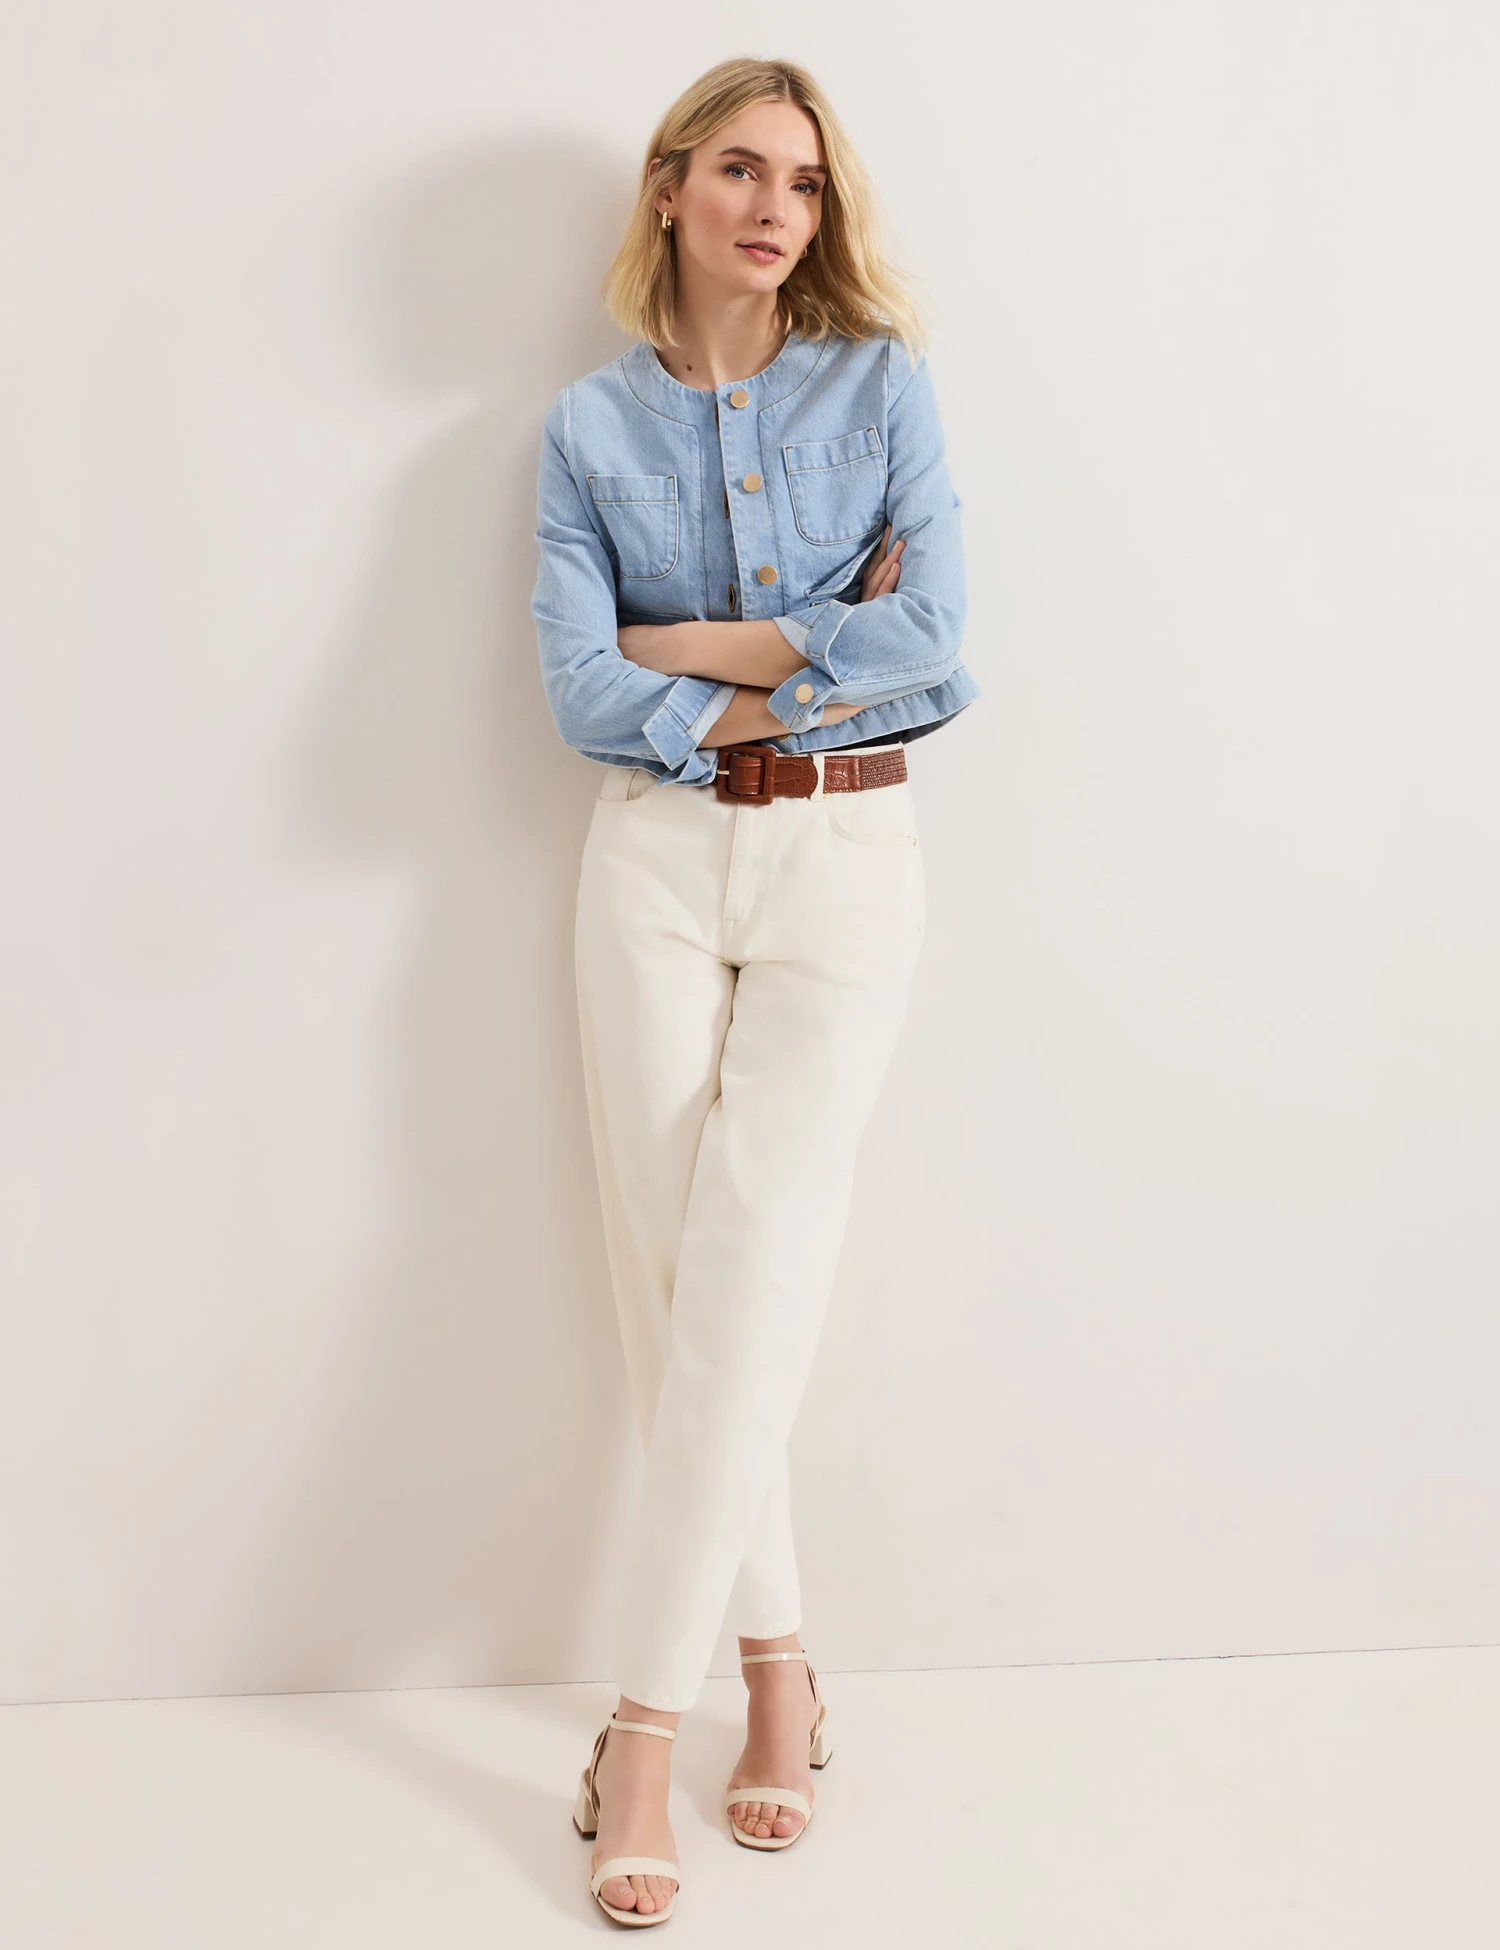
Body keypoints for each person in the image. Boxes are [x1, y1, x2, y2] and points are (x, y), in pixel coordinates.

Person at [530, 54, 980, 1927]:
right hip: (648, 863)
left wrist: (690, 649)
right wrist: (810, 649)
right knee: (680, 1288)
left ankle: (643, 1727)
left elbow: (936, 644)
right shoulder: (585, 428)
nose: (773, 207)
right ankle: (780, 1668)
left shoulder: (883, 386)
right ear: (670, 190)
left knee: (757, 1266)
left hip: (848, 861)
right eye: (738, 169)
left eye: (802, 181)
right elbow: (580, 691)